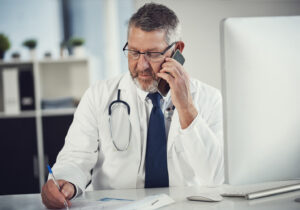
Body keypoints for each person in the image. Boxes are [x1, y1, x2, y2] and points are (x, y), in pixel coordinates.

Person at [41, 3, 224, 209]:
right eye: (134, 52)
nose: (142, 65)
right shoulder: (99, 95)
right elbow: (76, 157)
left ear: (177, 50)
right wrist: (67, 182)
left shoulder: (209, 98)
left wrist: (186, 107)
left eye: (153, 54)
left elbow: (215, 177)